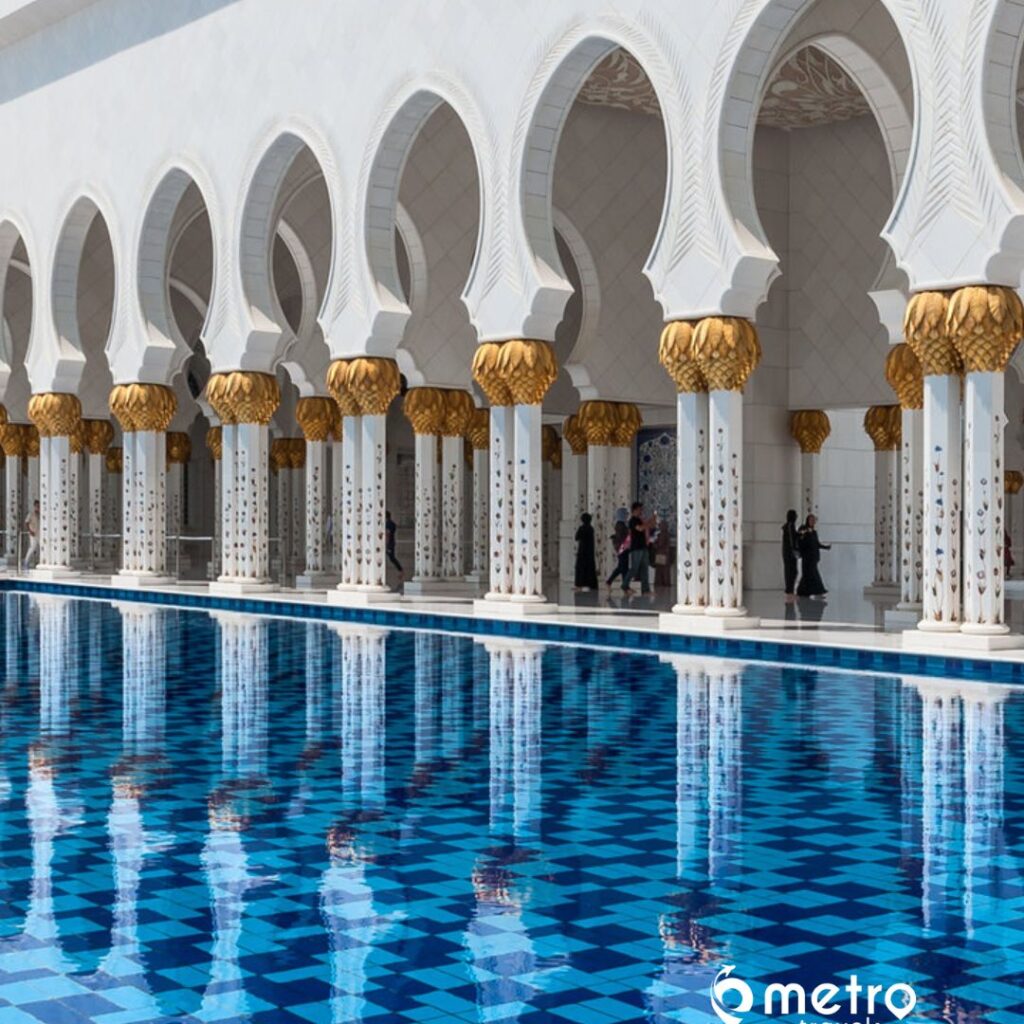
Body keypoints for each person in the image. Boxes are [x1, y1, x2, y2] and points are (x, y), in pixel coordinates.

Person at [622, 501, 656, 595]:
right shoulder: (632, 520)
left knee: (645, 569)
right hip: (636, 548)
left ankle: (646, 590)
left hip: (643, 547)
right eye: (640, 509)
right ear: (635, 510)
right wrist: (649, 522)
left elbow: (648, 526)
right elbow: (640, 528)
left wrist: (652, 520)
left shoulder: (640, 520)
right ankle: (625, 586)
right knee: (634, 568)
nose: (641, 511)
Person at [796, 513, 830, 598]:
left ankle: (805, 591)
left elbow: (817, 544)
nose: (813, 522)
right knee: (811, 574)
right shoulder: (803, 529)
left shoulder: (814, 532)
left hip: (813, 557)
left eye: (814, 520)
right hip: (807, 557)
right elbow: (800, 540)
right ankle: (817, 590)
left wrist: (826, 547)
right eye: (811, 520)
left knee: (810, 574)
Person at [606, 509, 630, 588]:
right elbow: (621, 538)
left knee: (621, 567)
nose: (627, 516)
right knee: (624, 568)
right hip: (622, 548)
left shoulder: (621, 524)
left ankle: (610, 582)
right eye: (626, 514)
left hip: (622, 548)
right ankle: (625, 586)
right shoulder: (620, 525)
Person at [574, 513, 597, 591]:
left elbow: (576, 537)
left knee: (580, 568)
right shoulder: (591, 528)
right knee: (590, 568)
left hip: (582, 551)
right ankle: (591, 584)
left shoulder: (582, 528)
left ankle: (579, 584)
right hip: (590, 552)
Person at [782, 509, 799, 598]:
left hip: (787, 552)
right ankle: (790, 589)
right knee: (792, 571)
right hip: (790, 553)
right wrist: (795, 549)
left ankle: (790, 589)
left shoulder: (788, 526)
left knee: (791, 571)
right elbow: (792, 539)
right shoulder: (790, 525)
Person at [652, 518, 672, 590]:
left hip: (661, 553)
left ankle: (660, 583)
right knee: (665, 570)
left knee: (660, 570)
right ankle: (666, 583)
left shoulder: (662, 534)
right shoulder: (667, 534)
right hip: (665, 554)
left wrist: (655, 544)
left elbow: (659, 544)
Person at [385, 510, 403, 579]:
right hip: (391, 543)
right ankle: (400, 570)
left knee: (391, 557)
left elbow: (388, 534)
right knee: (391, 557)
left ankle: (400, 570)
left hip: (389, 543)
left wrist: (386, 544)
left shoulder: (388, 524)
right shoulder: (391, 523)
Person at [23, 500, 39, 569]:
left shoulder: (41, 514)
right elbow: (26, 522)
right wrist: (30, 531)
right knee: (32, 548)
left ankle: (39, 561)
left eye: (39, 506)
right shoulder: (31, 514)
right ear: (34, 506)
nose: (38, 507)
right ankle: (26, 561)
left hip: (40, 534)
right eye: (37, 506)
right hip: (33, 533)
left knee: (42, 548)